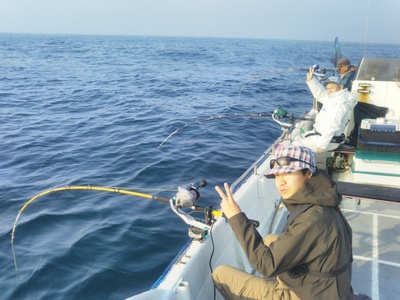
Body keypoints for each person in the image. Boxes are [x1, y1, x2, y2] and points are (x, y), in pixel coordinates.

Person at [212, 145, 354, 300]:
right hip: (328, 289)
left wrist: (236, 217)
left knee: (220, 274)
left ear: (307, 173)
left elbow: (266, 265)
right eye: (277, 175)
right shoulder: (325, 200)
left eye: (288, 173)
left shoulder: (312, 218)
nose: (281, 182)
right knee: (270, 240)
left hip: (309, 295)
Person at [292, 68, 357, 152]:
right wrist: (311, 80)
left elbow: (333, 126)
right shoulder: (334, 97)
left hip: (326, 141)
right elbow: (321, 94)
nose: (329, 91)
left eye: (332, 88)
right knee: (296, 138)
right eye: (327, 88)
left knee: (293, 146)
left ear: (340, 87)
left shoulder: (340, 104)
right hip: (319, 136)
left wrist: (322, 146)